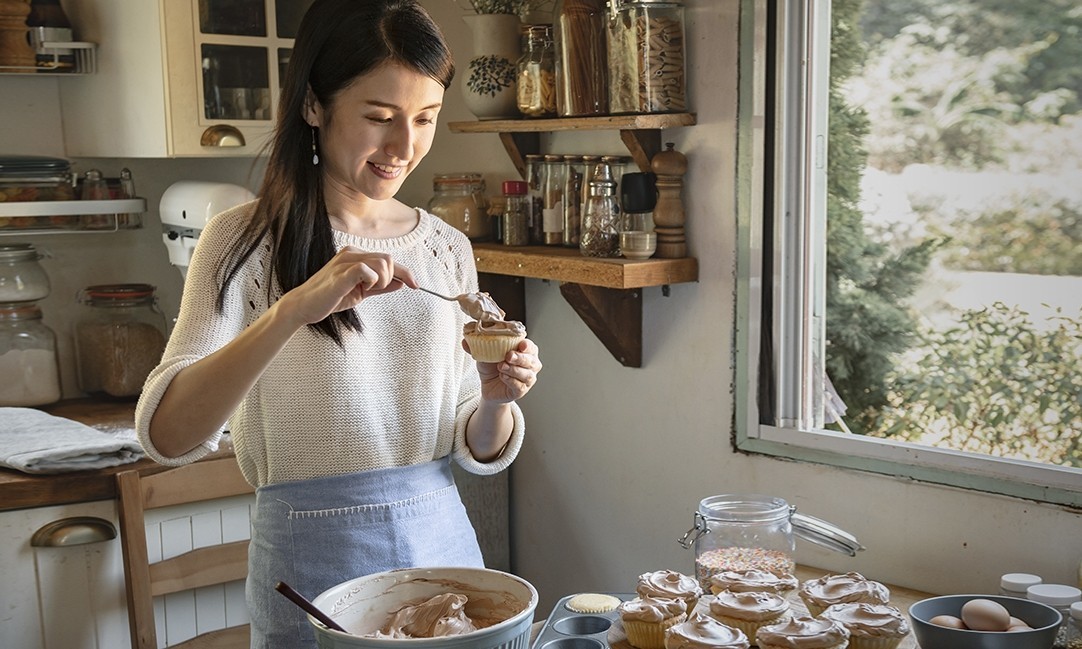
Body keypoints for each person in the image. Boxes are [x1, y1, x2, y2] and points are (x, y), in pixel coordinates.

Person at [133, 0, 542, 646]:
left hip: (442, 551)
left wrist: (495, 399)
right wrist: (292, 308)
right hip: (307, 565)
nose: (405, 146)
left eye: (426, 118)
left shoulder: (445, 248)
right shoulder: (240, 242)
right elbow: (167, 433)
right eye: (379, 117)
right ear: (314, 106)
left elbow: (477, 441)